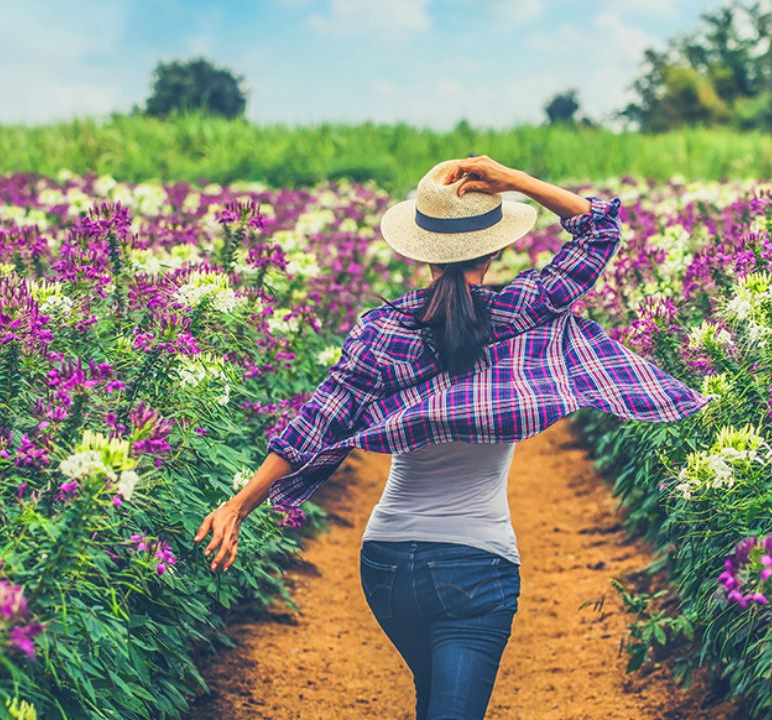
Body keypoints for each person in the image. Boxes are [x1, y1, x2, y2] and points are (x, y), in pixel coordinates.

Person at [195, 156, 707, 719]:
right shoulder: (522, 311)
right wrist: (513, 180)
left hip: (386, 564)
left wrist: (239, 505)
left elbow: (315, 424)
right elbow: (599, 229)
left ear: (419, 251)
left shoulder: (381, 329)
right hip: (476, 568)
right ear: (496, 250)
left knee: (434, 702)